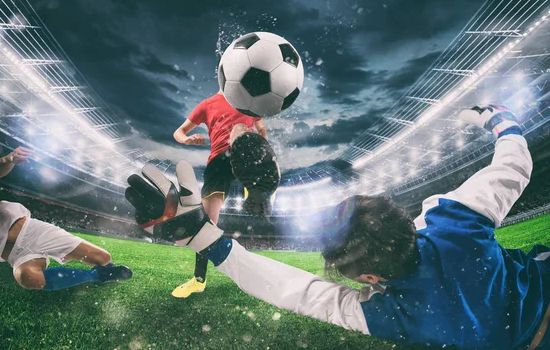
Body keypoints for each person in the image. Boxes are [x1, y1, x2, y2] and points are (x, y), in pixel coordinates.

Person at [127, 105, 550, 350]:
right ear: (400, 215)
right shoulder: (454, 218)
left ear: (368, 278)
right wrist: (498, 120)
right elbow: (514, 164)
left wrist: (206, 240)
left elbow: (293, 290)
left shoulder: (391, 316)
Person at [0, 146, 132, 290]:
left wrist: (9, 159)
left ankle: (104, 267)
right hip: (14, 255)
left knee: (103, 257)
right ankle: (97, 276)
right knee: (27, 278)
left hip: (32, 232)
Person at [170, 89, 279, 298]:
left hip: (244, 152)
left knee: (238, 129)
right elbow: (179, 132)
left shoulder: (248, 100)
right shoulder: (207, 104)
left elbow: (261, 128)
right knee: (205, 224)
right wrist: (187, 140)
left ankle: (259, 188)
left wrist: (262, 145)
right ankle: (198, 280)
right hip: (218, 162)